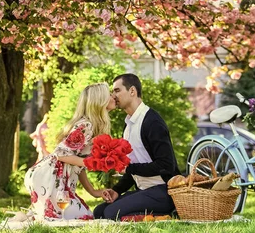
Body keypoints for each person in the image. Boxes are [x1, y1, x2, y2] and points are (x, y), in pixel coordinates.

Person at [24, 83, 116, 221]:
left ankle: (25, 218)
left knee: (84, 217)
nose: (113, 96)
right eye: (109, 94)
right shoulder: (86, 125)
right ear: (100, 100)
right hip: (49, 177)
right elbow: (61, 154)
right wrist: (93, 162)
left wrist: (94, 192)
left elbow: (78, 164)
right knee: (80, 219)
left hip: (57, 180)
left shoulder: (91, 125)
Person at [93, 73, 180, 220]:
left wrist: (129, 168)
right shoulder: (128, 126)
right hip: (144, 191)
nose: (113, 96)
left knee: (110, 214)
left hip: (164, 192)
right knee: (99, 212)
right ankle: (150, 215)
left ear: (132, 91)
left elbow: (166, 165)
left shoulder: (152, 122)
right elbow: (133, 170)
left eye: (117, 90)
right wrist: (116, 190)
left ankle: (167, 214)